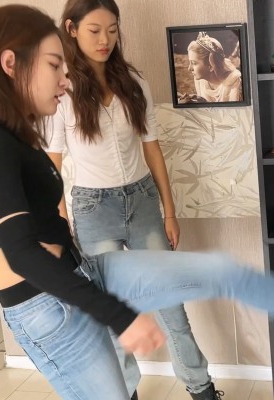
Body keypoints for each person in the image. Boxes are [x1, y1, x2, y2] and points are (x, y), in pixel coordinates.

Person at [0, 5, 274, 400]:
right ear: (10, 63)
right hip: (48, 308)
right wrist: (120, 316)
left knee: (221, 270)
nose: (63, 79)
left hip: (84, 272)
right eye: (53, 65)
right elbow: (21, 253)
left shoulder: (10, 136)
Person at [43, 1, 215, 398]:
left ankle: (202, 389)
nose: (105, 40)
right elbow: (52, 165)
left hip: (142, 202)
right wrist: (61, 223)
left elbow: (152, 148)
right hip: (93, 211)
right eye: (94, 30)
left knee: (171, 305)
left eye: (112, 29)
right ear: (71, 29)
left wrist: (169, 212)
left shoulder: (133, 83)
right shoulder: (62, 91)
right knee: (111, 315)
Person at [181, 32, 243, 103]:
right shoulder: (200, 78)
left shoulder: (233, 82)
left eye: (194, 63)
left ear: (211, 66)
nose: (189, 68)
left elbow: (235, 109)